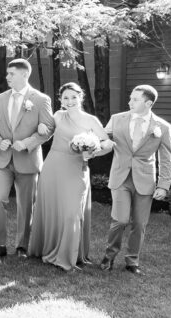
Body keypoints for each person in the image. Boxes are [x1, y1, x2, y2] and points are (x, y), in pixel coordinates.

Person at [27, 83, 110, 271]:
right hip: (53, 165)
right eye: (65, 97)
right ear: (60, 100)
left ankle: (67, 256)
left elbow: (107, 143)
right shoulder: (57, 115)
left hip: (76, 168)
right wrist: (39, 126)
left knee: (72, 212)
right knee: (51, 207)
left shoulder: (91, 120)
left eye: (73, 97)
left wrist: (94, 151)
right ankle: (45, 248)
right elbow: (44, 131)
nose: (70, 101)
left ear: (81, 97)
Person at [0, 58, 55, 259]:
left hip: (28, 159)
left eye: (11, 74)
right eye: (7, 74)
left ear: (24, 74)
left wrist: (28, 143)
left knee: (26, 204)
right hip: (3, 159)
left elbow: (48, 129)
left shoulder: (40, 99)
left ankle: (22, 246)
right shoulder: (0, 99)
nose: (7, 77)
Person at [99, 85, 171, 276]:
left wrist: (163, 185)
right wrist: (93, 146)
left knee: (140, 223)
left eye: (135, 99)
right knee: (120, 219)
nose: (129, 102)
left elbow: (167, 158)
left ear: (148, 103)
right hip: (120, 176)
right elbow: (101, 139)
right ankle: (109, 255)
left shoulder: (162, 127)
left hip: (145, 180)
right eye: (130, 98)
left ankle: (132, 261)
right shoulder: (117, 119)